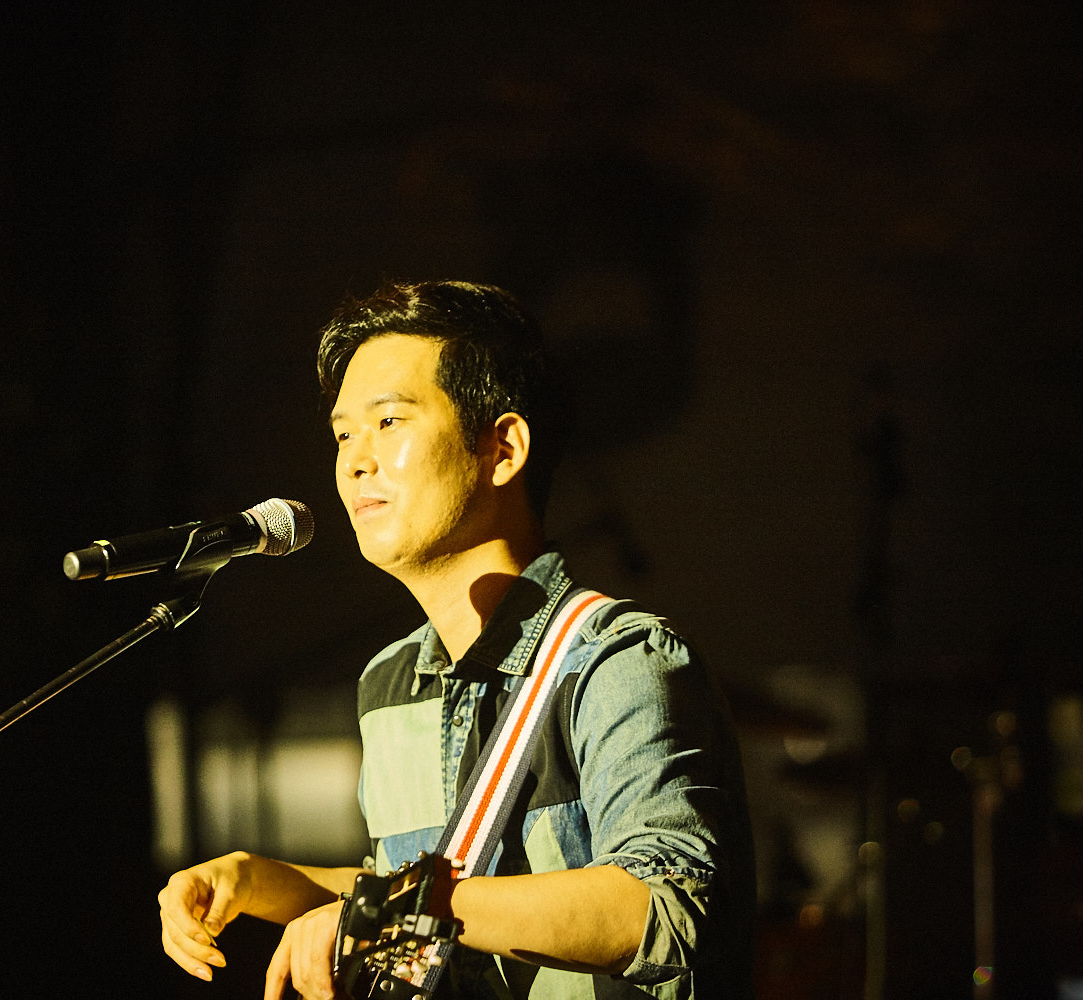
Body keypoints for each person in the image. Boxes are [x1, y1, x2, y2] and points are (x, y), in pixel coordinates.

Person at [158, 280, 755, 998]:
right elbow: (436, 886)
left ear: (502, 449)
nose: (354, 461)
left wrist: (390, 908)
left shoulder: (614, 662)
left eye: (388, 422)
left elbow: (667, 907)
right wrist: (265, 880)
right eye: (343, 434)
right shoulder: (388, 682)